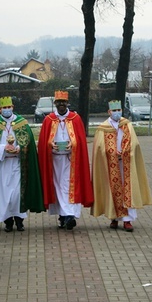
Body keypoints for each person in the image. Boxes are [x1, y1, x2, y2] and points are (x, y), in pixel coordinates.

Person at [0, 96, 44, 232]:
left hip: (17, 164)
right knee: (4, 194)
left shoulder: (22, 123)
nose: (7, 110)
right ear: (0, 109)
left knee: (16, 194)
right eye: (4, 108)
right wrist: (3, 148)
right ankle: (8, 221)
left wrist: (20, 148)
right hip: (2, 165)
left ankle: (19, 220)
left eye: (9, 107)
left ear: (13, 107)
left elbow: (29, 143)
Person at [91, 100, 152, 232]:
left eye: (119, 110)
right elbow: (99, 148)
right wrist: (112, 153)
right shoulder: (103, 127)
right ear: (109, 112)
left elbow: (134, 143)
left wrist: (124, 152)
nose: (117, 113)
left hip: (126, 163)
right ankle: (113, 218)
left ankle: (127, 220)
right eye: (114, 111)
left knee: (127, 189)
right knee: (111, 189)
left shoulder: (127, 125)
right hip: (110, 164)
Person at [37, 90, 93, 230]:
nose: (61, 105)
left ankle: (69, 216)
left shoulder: (75, 118)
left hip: (70, 160)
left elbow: (80, 140)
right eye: (59, 103)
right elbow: (43, 142)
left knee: (68, 187)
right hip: (54, 161)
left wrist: (73, 144)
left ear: (67, 103)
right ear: (55, 104)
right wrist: (50, 144)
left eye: (64, 103)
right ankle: (63, 216)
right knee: (56, 187)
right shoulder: (49, 120)